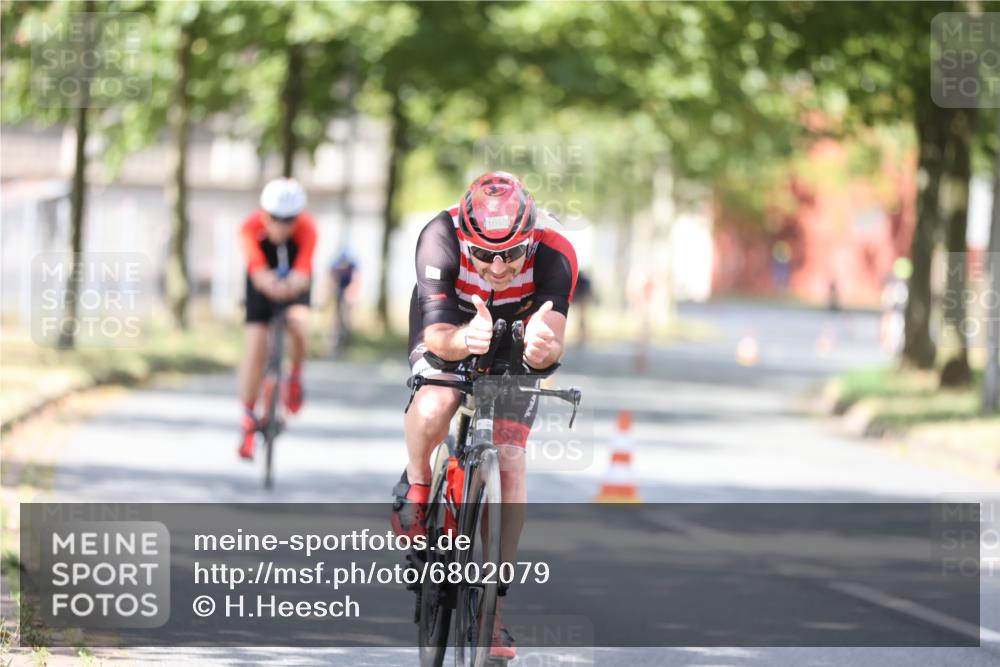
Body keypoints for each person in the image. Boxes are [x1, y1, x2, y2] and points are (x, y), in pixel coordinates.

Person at [392, 171, 578, 660]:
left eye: (512, 254)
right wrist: (464, 341)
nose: (498, 267)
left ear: (531, 238)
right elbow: (436, 337)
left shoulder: (556, 250)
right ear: (465, 238)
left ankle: (493, 610)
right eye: (485, 254)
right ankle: (416, 486)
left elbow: (551, 335)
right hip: (451, 321)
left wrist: (540, 348)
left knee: (512, 460)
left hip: (516, 333)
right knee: (437, 402)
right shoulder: (439, 235)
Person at [237, 178, 317, 460]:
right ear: (264, 213)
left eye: (289, 219)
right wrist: (269, 283)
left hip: (293, 275)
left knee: (299, 321)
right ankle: (248, 415)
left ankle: (294, 376)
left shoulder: (307, 229)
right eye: (275, 218)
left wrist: (292, 285)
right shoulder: (249, 228)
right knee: (255, 344)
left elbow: (304, 271)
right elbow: (258, 273)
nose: (282, 226)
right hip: (262, 278)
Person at [329, 248, 358, 356]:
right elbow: (330, 279)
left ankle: (348, 338)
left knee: (348, 314)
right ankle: (334, 340)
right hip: (339, 288)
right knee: (336, 316)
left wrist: (352, 295)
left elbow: (356, 280)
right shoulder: (334, 265)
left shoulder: (353, 266)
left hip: (348, 287)